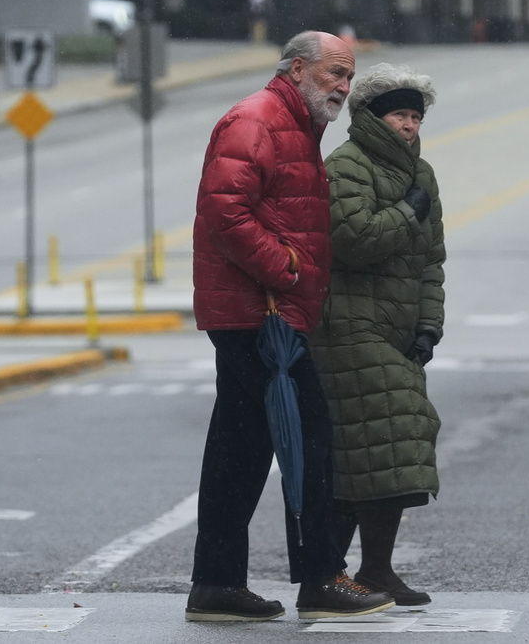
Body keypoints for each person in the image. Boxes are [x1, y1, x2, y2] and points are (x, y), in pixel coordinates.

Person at [186, 31, 395, 623]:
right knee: (310, 439)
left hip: (261, 311)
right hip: (261, 314)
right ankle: (321, 576)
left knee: (240, 449)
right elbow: (225, 210)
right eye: (336, 75)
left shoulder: (293, 124)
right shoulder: (257, 119)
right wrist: (286, 267)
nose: (344, 88)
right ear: (298, 68)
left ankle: (217, 586)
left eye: (349, 79)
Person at [311, 63, 445, 606]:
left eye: (415, 116)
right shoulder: (346, 166)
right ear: (372, 117)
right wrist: (407, 213)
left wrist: (430, 324)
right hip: (347, 326)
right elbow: (353, 240)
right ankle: (334, 574)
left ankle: (371, 571)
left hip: (397, 329)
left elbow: (431, 261)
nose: (409, 125)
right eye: (399, 115)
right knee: (387, 435)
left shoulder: (423, 173)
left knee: (382, 447)